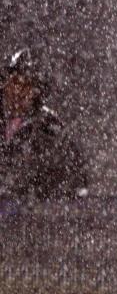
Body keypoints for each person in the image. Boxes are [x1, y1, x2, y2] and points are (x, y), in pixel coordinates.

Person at [0, 48, 87, 200]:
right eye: (13, 82)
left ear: (36, 91)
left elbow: (73, 180)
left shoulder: (51, 128)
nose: (17, 91)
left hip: (36, 213)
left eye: (26, 85)